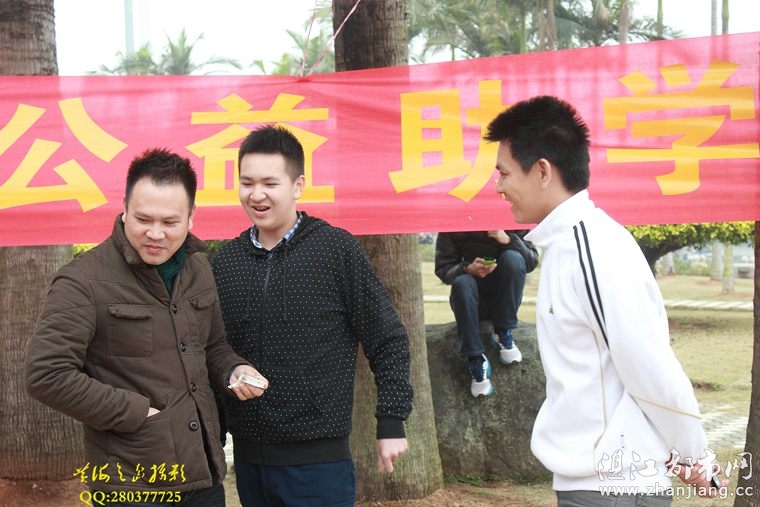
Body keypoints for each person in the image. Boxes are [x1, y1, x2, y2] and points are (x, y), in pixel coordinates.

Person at [485, 95, 724, 505]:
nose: (498, 186)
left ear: (542, 171)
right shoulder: (565, 246)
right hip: (593, 481)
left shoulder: (593, 248)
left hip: (611, 485)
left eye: (504, 173)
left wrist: (693, 455)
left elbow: (648, 364)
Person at [25, 148, 268, 507]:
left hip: (203, 471)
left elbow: (213, 346)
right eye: (143, 219)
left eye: (170, 222)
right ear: (125, 208)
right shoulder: (83, 280)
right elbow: (46, 374)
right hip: (131, 483)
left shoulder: (198, 269)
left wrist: (233, 369)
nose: (155, 234)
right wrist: (137, 412)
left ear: (191, 217)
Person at [211, 125, 414, 507]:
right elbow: (214, 350)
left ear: (298, 185)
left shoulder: (335, 250)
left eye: (270, 183)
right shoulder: (227, 261)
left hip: (319, 465)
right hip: (250, 462)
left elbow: (387, 337)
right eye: (247, 183)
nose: (256, 194)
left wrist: (391, 420)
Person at [434, 229, 538, 397]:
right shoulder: (454, 223)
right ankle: (475, 358)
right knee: (462, 282)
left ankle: (502, 332)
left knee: (513, 258)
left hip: (505, 301)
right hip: (470, 302)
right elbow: (443, 269)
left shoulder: (512, 217)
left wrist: (508, 240)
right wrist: (467, 268)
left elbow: (531, 261)